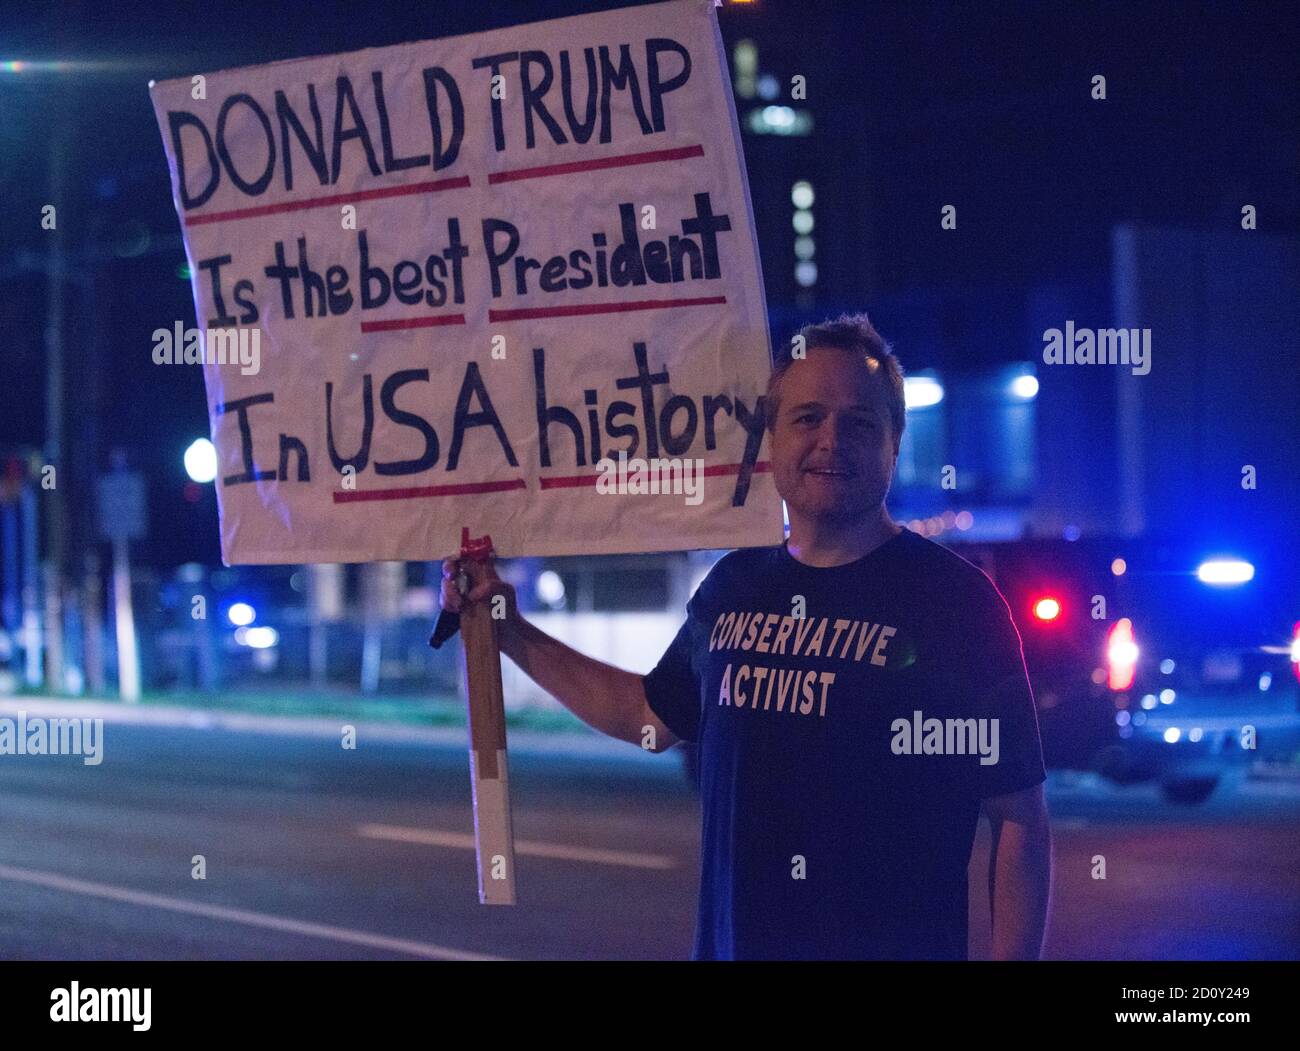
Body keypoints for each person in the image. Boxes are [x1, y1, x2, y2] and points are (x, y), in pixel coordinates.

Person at [440, 313, 1052, 960]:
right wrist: (508, 629)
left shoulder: (955, 603)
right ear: (770, 438)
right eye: (807, 416)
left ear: (895, 442)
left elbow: (1018, 818)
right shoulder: (734, 586)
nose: (831, 440)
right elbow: (648, 714)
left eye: (861, 421)